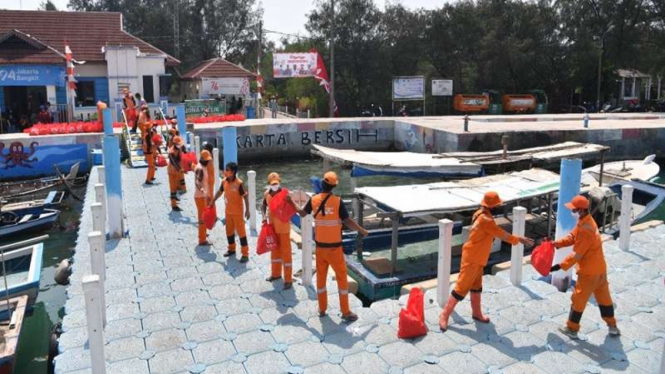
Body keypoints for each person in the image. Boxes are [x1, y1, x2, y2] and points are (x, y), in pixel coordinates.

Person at [439, 192, 534, 331]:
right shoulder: (486, 220)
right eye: (498, 205)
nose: (500, 207)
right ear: (493, 206)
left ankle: (476, 313)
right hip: (473, 258)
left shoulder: (478, 213)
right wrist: (518, 239)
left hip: (477, 257)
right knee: (461, 287)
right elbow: (501, 233)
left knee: (477, 286)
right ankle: (445, 314)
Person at [289, 171, 369, 321]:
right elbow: (348, 221)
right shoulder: (337, 202)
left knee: (321, 279)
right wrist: (362, 231)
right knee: (342, 280)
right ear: (334, 186)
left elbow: (301, 213)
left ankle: (322, 308)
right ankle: (345, 312)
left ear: (322, 184)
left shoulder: (313, 200)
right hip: (335, 249)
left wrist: (290, 201)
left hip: (320, 249)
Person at [550, 195, 620, 339]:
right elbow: (572, 237)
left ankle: (572, 328)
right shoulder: (586, 222)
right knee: (604, 297)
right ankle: (612, 326)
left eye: (573, 209)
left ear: (581, 210)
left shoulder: (586, 229)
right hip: (599, 269)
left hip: (588, 272)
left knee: (578, 299)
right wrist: (557, 244)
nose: (572, 211)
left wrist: (559, 266)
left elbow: (577, 254)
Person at [211, 162, 251, 263]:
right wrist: (213, 201)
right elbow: (220, 192)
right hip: (228, 213)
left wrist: (248, 210)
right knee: (229, 232)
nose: (225, 172)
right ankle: (231, 249)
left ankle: (245, 254)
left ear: (233, 172)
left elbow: (245, 197)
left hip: (238, 213)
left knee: (241, 233)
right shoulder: (224, 182)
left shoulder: (239, 183)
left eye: (227, 170)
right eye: (225, 169)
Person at [262, 172, 293, 290]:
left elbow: (294, 208)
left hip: (284, 228)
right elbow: (263, 205)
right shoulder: (267, 194)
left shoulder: (285, 194)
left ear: (279, 182)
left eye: (276, 183)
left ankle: (288, 279)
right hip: (272, 227)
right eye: (272, 184)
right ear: (269, 184)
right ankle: (275, 274)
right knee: (274, 251)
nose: (275, 185)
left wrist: (290, 201)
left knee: (286, 253)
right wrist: (264, 216)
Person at [195, 151, 214, 246]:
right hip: (200, 197)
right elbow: (198, 182)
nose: (208, 162)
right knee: (202, 219)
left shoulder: (202, 167)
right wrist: (202, 190)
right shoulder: (200, 169)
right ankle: (202, 240)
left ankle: (203, 234)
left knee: (203, 217)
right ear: (202, 159)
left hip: (203, 196)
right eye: (207, 160)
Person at [168, 136, 185, 212]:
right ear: (174, 144)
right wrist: (181, 169)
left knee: (177, 186)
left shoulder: (178, 148)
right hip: (172, 171)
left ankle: (175, 198)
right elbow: (174, 163)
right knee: (173, 188)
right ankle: (173, 205)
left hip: (177, 170)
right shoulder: (171, 152)